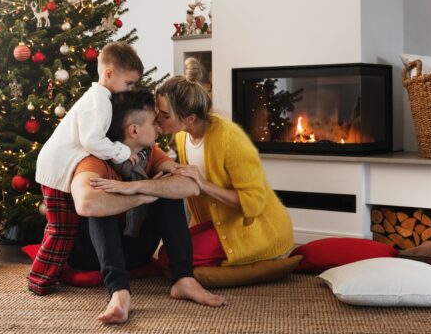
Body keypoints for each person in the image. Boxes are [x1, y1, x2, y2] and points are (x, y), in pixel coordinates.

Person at [73, 90, 226, 324]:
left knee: (166, 189)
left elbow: (190, 185)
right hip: (92, 255)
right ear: (133, 130)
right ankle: (119, 291)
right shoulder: (95, 160)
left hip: (135, 252)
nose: (159, 127)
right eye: (154, 122)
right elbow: (86, 203)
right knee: (101, 205)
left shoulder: (149, 153)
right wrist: (141, 197)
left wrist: (137, 187)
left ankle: (183, 279)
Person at [27, 42, 144, 295]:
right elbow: (92, 139)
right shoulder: (98, 101)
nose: (129, 89)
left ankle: (44, 274)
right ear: (109, 73)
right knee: (62, 228)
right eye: (129, 83)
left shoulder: (100, 98)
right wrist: (123, 152)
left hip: (58, 167)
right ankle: (39, 279)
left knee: (61, 226)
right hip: (57, 169)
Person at [154, 74, 294, 269]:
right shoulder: (182, 138)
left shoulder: (229, 139)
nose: (157, 119)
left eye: (165, 115)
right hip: (219, 222)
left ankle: (266, 256)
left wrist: (204, 185)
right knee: (169, 252)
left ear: (190, 118)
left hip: (256, 228)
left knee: (174, 259)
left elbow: (254, 202)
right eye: (157, 111)